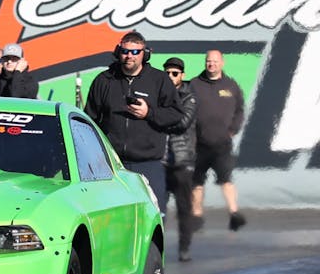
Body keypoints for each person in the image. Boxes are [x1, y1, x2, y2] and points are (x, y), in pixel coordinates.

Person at [84, 31, 183, 216]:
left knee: (153, 216)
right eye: (125, 51)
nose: (129, 56)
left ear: (145, 54)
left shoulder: (159, 80)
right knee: (111, 218)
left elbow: (176, 114)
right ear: (118, 52)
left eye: (135, 52)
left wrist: (149, 113)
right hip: (111, 165)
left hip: (148, 164)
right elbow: (89, 121)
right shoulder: (104, 80)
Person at [190, 49, 246, 231]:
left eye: (215, 61)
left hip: (222, 145)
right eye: (209, 61)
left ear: (222, 63)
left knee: (226, 179)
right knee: (197, 182)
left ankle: (234, 214)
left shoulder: (231, 86)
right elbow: (185, 109)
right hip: (199, 144)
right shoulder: (194, 84)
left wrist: (233, 129)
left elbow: (240, 110)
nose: (211, 64)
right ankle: (196, 217)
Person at [162, 57, 199, 262]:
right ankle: (157, 251)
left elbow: (182, 123)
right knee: (158, 210)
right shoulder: (158, 94)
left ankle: (184, 248)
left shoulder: (189, 97)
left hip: (182, 162)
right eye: (167, 73)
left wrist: (155, 117)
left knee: (184, 209)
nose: (170, 76)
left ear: (182, 76)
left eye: (174, 73)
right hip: (160, 161)